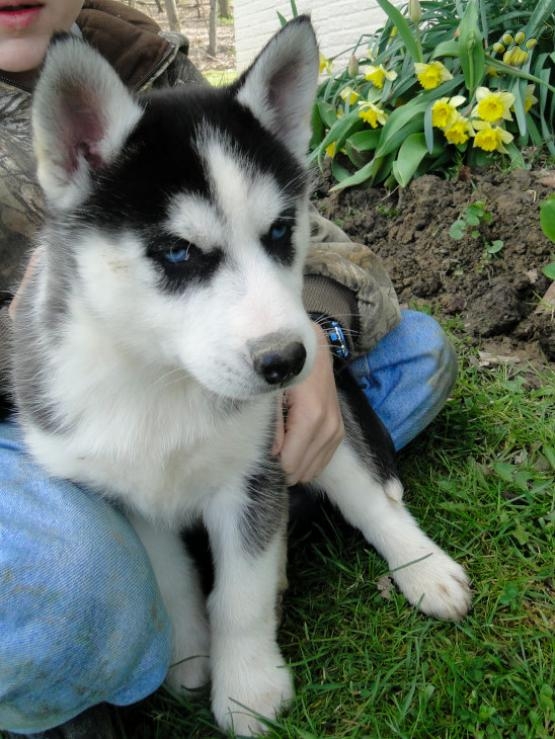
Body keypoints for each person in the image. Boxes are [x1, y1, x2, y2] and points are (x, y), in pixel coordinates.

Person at [0, 1, 457, 736]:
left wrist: (309, 329)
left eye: (276, 231)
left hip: (200, 398)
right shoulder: (93, 144)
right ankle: (139, 584)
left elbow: (326, 253)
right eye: (179, 251)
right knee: (58, 583)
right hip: (51, 416)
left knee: (419, 351)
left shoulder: (155, 63)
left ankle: (338, 511)